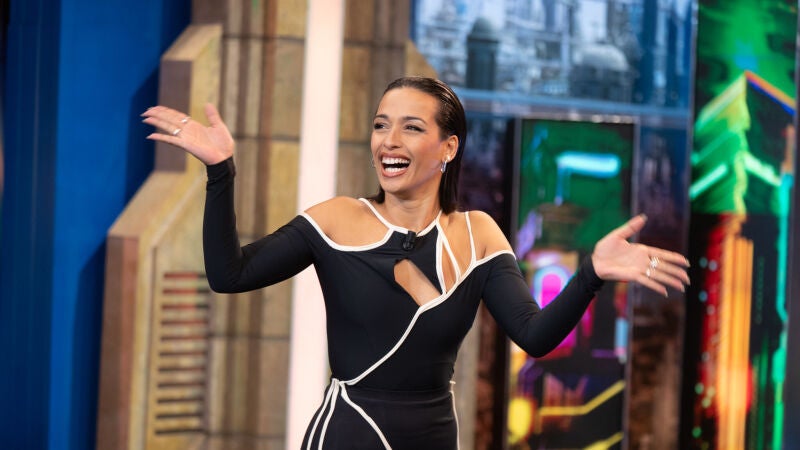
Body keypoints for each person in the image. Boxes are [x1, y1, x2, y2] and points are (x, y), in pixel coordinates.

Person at [142, 76, 690, 450]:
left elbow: (535, 335)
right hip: (350, 431)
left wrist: (591, 274)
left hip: (434, 434)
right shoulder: (337, 219)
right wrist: (221, 172)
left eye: (411, 127)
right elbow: (230, 275)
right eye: (381, 125)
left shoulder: (477, 234)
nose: (389, 141)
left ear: (448, 148)